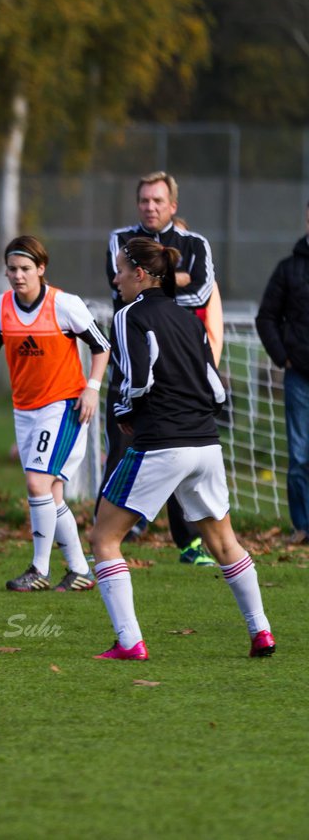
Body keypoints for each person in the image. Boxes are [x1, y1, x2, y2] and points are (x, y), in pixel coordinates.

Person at [90, 237, 275, 660]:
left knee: (104, 538)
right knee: (225, 543)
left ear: (139, 273)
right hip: (206, 443)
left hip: (161, 442)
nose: (115, 278)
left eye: (120, 270)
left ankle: (130, 642)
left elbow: (137, 381)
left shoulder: (128, 316)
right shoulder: (188, 318)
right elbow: (215, 387)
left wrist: (124, 410)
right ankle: (261, 632)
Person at [0, 236, 110, 593]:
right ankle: (79, 571)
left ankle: (39, 569)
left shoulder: (64, 304)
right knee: (53, 493)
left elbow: (101, 346)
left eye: (25, 269)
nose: (18, 276)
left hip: (64, 405)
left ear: (41, 269)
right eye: (13, 269)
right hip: (25, 410)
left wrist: (92, 388)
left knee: (36, 483)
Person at [102, 171, 217, 566]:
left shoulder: (194, 242)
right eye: (144, 200)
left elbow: (202, 289)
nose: (150, 207)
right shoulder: (121, 241)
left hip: (178, 365)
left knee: (176, 450)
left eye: (157, 200)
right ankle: (116, 529)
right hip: (131, 358)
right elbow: (119, 285)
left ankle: (188, 542)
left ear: (173, 205)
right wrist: (174, 276)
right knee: (120, 445)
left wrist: (161, 279)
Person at [255, 201, 309, 545]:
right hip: (299, 377)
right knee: (301, 455)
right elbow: (266, 318)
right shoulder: (289, 269)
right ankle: (303, 527)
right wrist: (283, 357)